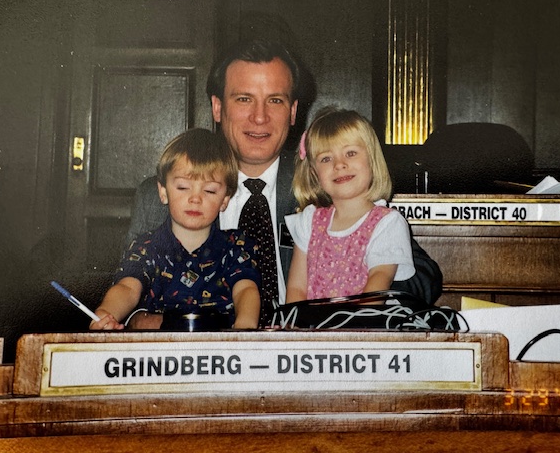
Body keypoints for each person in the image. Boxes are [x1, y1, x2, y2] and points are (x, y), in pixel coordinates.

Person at [126, 38, 442, 329]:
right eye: (244, 99)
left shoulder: (327, 181)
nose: (260, 117)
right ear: (218, 108)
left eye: (274, 101)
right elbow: (130, 302)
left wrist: (354, 295)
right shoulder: (164, 194)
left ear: (293, 112)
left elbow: (424, 275)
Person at [90, 128, 261, 331]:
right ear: (163, 192)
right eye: (182, 187)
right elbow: (127, 287)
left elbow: (246, 290)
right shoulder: (146, 247)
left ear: (224, 200)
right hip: (158, 354)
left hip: (219, 352)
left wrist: (243, 330)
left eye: (209, 190)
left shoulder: (236, 247)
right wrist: (105, 313)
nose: (195, 199)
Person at [285, 107, 415, 302]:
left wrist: (347, 332)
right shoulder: (309, 221)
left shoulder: (386, 223)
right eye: (326, 159)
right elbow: (296, 288)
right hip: (310, 329)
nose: (339, 164)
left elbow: (376, 290)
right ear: (314, 172)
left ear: (371, 159)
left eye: (351, 153)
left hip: (362, 326)